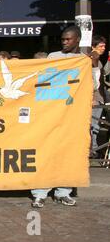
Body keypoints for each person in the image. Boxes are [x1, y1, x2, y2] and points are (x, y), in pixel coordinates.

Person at [31, 26, 100, 208]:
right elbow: (42, 80)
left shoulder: (84, 60)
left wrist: (93, 65)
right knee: (46, 153)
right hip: (51, 113)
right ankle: (40, 193)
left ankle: (64, 192)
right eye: (63, 39)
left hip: (73, 116)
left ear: (77, 39)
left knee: (69, 154)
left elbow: (93, 86)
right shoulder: (53, 57)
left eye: (68, 39)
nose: (64, 42)